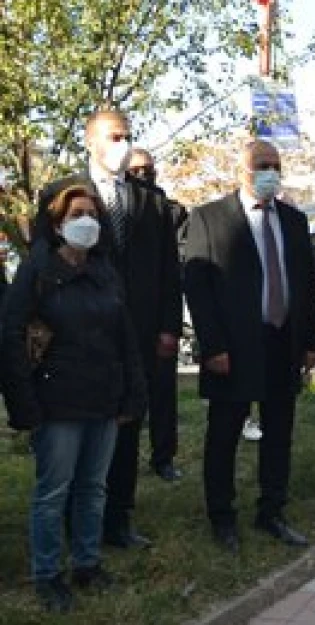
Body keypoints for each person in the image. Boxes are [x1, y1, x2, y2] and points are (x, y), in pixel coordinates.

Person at [36, 110, 181, 549]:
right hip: (78, 334)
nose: (123, 143)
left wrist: (168, 327)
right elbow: (43, 263)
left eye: (128, 136)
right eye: (114, 136)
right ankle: (72, 525)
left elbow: (168, 272)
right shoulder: (61, 194)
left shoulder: (151, 201)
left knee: (128, 425)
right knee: (78, 428)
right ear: (91, 140)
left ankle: (118, 519)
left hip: (135, 332)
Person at [2, 185, 147, 613]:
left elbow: (126, 337)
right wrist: (23, 403)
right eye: (77, 213)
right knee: (53, 493)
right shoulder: (37, 270)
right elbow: (11, 336)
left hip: (102, 397)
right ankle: (48, 574)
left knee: (93, 489)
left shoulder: (106, 271)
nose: (87, 221)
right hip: (56, 402)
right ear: (58, 222)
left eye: (92, 213)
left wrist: (132, 395)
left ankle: (87, 563)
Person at [182, 140, 315, 553]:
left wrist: (310, 340)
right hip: (233, 346)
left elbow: (305, 286)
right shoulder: (209, 218)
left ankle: (272, 510)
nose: (271, 173)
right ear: (242, 169)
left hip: (282, 341)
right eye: (263, 165)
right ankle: (221, 516)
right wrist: (212, 346)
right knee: (224, 434)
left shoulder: (294, 221)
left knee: (279, 431)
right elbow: (197, 287)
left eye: (276, 166)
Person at [123, 147, 187, 483]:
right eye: (136, 170)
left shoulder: (166, 208)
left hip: (158, 317)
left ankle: (163, 457)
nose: (144, 176)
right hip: (123, 319)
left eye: (148, 169)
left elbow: (171, 274)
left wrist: (171, 327)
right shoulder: (113, 206)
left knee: (163, 394)